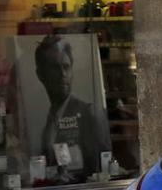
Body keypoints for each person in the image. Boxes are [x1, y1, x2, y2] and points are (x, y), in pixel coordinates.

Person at [34, 34, 110, 179]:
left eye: (66, 67)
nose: (63, 74)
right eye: (55, 68)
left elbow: (102, 167)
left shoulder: (90, 113)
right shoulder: (49, 121)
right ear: (41, 74)